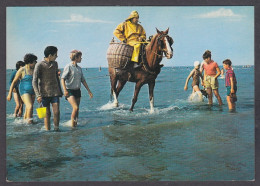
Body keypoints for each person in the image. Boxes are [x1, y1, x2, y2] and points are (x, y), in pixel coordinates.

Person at [32, 46, 63, 131]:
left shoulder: (55, 63)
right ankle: (47, 132)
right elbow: (34, 81)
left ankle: (57, 130)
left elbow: (57, 78)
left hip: (55, 92)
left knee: (56, 112)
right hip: (43, 93)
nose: (57, 56)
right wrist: (38, 95)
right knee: (47, 114)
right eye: (55, 55)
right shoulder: (39, 65)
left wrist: (60, 91)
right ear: (50, 55)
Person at [61, 50, 93, 127]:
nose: (81, 58)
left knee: (77, 109)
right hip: (69, 91)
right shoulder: (68, 67)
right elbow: (62, 79)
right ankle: (72, 126)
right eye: (80, 57)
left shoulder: (79, 68)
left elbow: (83, 80)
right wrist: (65, 90)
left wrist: (89, 91)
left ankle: (75, 124)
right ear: (76, 58)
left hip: (77, 91)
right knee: (75, 107)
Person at [7, 54, 37, 123]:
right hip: (24, 91)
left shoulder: (34, 69)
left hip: (33, 91)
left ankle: (24, 123)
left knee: (28, 108)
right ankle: (29, 124)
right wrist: (9, 94)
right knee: (29, 106)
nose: (36, 63)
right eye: (34, 61)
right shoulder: (22, 70)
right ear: (30, 62)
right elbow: (14, 82)